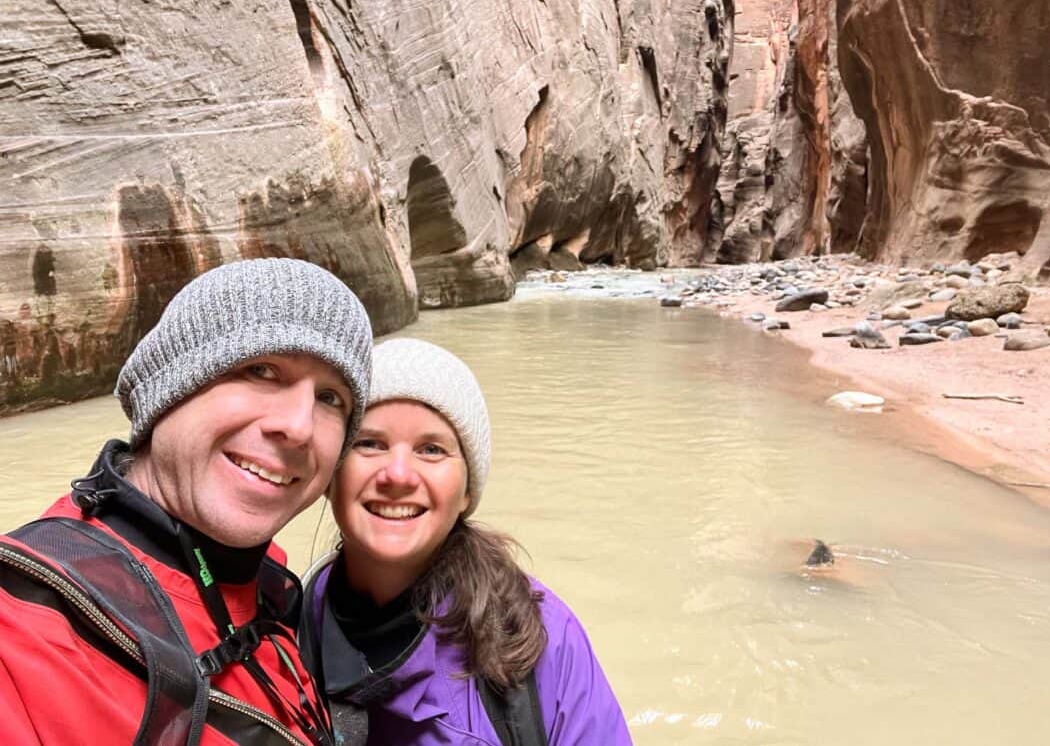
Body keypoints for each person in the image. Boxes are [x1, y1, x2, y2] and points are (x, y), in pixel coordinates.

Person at [0, 257, 374, 746]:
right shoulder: (22, 631)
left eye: (331, 399)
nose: (299, 426)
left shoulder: (265, 588)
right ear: (169, 390)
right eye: (260, 369)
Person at [298, 338, 632, 745]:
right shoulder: (285, 628)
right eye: (370, 443)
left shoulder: (538, 639)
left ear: (466, 492)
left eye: (432, 449)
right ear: (332, 473)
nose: (398, 474)